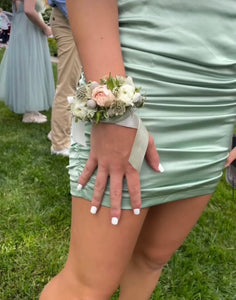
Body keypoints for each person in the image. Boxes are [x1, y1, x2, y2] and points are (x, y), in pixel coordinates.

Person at [40, 1, 236, 299]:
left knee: (151, 259)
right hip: (139, 81)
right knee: (88, 286)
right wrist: (115, 111)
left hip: (216, 110)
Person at [0, 0, 55, 124]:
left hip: (22, 28)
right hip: (29, 29)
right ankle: (30, 112)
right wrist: (46, 28)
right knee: (31, 67)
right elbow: (29, 10)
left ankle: (27, 106)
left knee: (25, 66)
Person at [47, 0, 82, 156]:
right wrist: (81, 18)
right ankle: (59, 144)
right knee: (68, 85)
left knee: (78, 82)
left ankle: (59, 133)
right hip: (69, 21)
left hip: (77, 21)